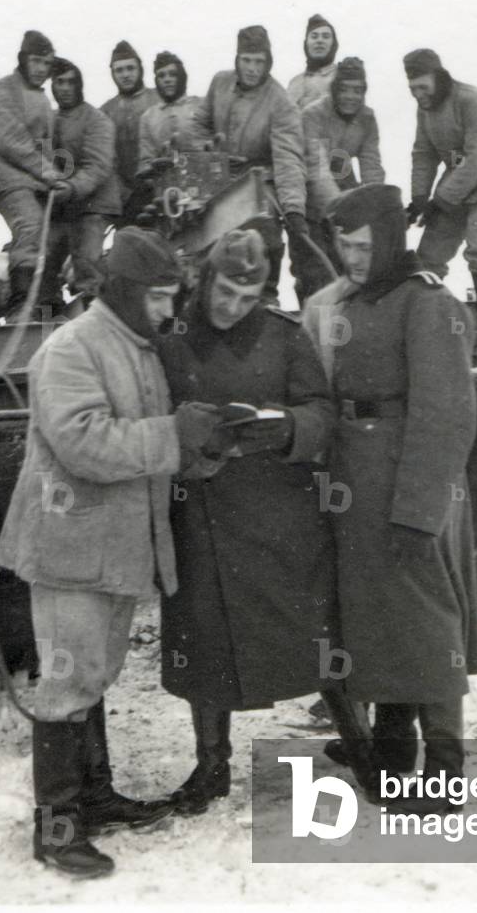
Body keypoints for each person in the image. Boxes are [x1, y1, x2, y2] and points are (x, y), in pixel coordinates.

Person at [0, 228, 222, 878]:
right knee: (68, 682)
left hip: (107, 547)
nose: (167, 310)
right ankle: (58, 830)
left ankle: (92, 797)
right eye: (157, 297)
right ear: (123, 292)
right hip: (69, 549)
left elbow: (148, 440)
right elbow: (84, 444)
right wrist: (173, 436)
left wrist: (198, 443)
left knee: (92, 673)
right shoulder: (72, 349)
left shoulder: (135, 346)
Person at [302, 183, 477, 815]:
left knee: (430, 625)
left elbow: (447, 416)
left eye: (360, 246)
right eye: (342, 246)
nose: (350, 257)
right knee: (380, 623)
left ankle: (445, 768)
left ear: (388, 240)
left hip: (409, 484)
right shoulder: (360, 298)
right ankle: (391, 749)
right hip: (361, 481)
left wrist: (418, 510)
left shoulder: (427, 303)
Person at [157, 228, 339, 816]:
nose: (232, 307)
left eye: (247, 296)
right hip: (200, 515)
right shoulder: (170, 336)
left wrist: (287, 427)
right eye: (223, 291)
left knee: (315, 634)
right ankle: (211, 765)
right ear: (204, 277)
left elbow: (323, 413)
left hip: (279, 514)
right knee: (202, 639)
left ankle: (359, 740)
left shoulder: (286, 337)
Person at [190, 25, 317, 303]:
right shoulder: (220, 83)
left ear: (268, 62)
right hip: (217, 178)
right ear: (237, 59)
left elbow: (288, 158)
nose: (251, 68)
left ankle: (265, 301)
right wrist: (209, 153)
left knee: (264, 241)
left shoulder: (279, 101)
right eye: (246, 60)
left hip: (260, 182)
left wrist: (294, 208)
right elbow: (199, 124)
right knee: (197, 246)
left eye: (259, 61)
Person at [404, 48, 477, 341]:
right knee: (430, 252)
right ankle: (426, 318)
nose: (419, 94)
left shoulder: (472, 100)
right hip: (459, 174)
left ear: (439, 78)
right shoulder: (425, 109)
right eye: (413, 88)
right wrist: (419, 199)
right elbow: (423, 154)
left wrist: (441, 200)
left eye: (423, 86)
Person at [0, 30, 64, 322]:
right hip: (8, 177)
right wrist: (46, 171)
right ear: (23, 60)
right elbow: (11, 141)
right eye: (37, 61)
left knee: (46, 234)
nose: (42, 69)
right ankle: (19, 306)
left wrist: (56, 171)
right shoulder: (0, 91)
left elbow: (44, 144)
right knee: (30, 224)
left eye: (47, 64)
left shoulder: (41, 100)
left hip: (35, 179)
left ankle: (44, 299)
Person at [40, 57, 121, 313]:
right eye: (59, 82)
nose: (64, 88)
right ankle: (45, 319)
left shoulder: (97, 120)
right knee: (43, 261)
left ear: (79, 85)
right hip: (60, 207)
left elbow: (98, 167)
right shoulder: (46, 122)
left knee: (87, 261)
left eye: (70, 82)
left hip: (93, 203)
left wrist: (72, 188)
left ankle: (97, 315)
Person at [301, 56, 385, 273]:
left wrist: (377, 207)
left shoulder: (367, 118)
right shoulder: (313, 114)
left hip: (345, 193)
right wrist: (340, 210)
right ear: (335, 89)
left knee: (350, 265)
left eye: (357, 90)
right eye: (345, 89)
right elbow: (316, 168)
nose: (351, 96)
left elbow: (371, 166)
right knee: (315, 267)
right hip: (311, 198)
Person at [101, 41, 159, 226]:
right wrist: (123, 195)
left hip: (162, 191)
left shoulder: (159, 99)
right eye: (119, 70)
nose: (125, 75)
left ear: (140, 69)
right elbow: (105, 162)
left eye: (130, 68)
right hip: (127, 200)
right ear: (112, 74)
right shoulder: (105, 112)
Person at [137, 51, 201, 176]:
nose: (167, 80)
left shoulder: (200, 106)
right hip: (166, 185)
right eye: (161, 76)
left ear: (182, 77)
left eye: (173, 74)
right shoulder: (148, 117)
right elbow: (146, 161)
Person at [287, 14, 339, 110]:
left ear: (334, 44)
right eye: (314, 37)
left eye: (326, 36)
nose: (320, 40)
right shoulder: (295, 82)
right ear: (306, 44)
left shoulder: (341, 77)